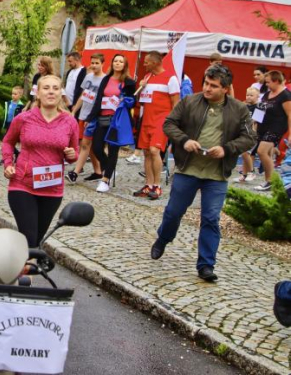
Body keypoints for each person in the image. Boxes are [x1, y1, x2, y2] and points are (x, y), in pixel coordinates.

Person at [151, 65, 256, 281]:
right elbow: (169, 124)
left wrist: (226, 149)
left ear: (226, 89)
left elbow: (249, 138)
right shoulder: (190, 101)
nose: (207, 88)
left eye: (213, 86)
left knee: (210, 218)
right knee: (173, 211)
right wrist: (185, 140)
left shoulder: (239, 109)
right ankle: (163, 238)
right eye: (206, 83)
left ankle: (206, 265)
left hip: (217, 174)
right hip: (188, 168)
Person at [2, 75, 78, 247]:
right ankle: (24, 272)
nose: (51, 91)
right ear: (37, 93)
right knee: (29, 238)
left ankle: (19, 268)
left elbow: (73, 154)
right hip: (23, 184)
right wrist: (8, 163)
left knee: (35, 241)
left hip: (52, 188)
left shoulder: (70, 122)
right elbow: (8, 141)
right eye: (46, 88)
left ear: (61, 93)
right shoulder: (24, 118)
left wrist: (71, 155)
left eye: (55, 88)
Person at [87, 54, 137, 193]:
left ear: (124, 65)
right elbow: (98, 99)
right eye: (115, 60)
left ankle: (105, 179)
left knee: (113, 150)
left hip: (117, 121)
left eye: (121, 61)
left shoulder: (128, 82)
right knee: (96, 147)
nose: (118, 63)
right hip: (102, 118)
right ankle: (109, 168)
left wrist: (125, 100)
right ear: (112, 63)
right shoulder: (106, 79)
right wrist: (90, 118)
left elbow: (133, 101)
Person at [134, 51, 180, 200]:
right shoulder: (147, 77)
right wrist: (141, 87)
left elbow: (175, 103)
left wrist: (172, 122)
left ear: (155, 62)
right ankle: (148, 185)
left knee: (154, 150)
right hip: (147, 119)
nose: (144, 64)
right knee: (146, 151)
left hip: (162, 120)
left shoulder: (170, 78)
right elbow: (142, 101)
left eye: (147, 62)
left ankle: (157, 186)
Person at [67, 53, 105, 183]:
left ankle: (75, 172)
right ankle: (98, 171)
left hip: (94, 117)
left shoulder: (105, 80)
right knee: (90, 146)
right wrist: (74, 111)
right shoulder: (88, 77)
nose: (94, 65)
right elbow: (83, 95)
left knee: (85, 144)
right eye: (92, 63)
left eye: (97, 63)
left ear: (102, 64)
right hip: (83, 115)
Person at [254, 70, 291, 191]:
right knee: (267, 153)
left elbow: (290, 115)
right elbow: (259, 110)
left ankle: (270, 181)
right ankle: (270, 180)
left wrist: (290, 134)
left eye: (269, 82)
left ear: (276, 81)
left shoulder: (285, 95)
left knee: (262, 151)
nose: (267, 85)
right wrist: (254, 126)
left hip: (277, 127)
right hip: (263, 126)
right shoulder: (267, 94)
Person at [237, 87, 260, 183]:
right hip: (244, 133)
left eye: (251, 95)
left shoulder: (259, 107)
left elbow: (257, 122)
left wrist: (253, 134)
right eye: (247, 95)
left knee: (246, 153)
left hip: (253, 134)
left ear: (257, 97)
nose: (249, 97)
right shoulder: (245, 106)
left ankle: (251, 172)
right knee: (244, 154)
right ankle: (244, 175)